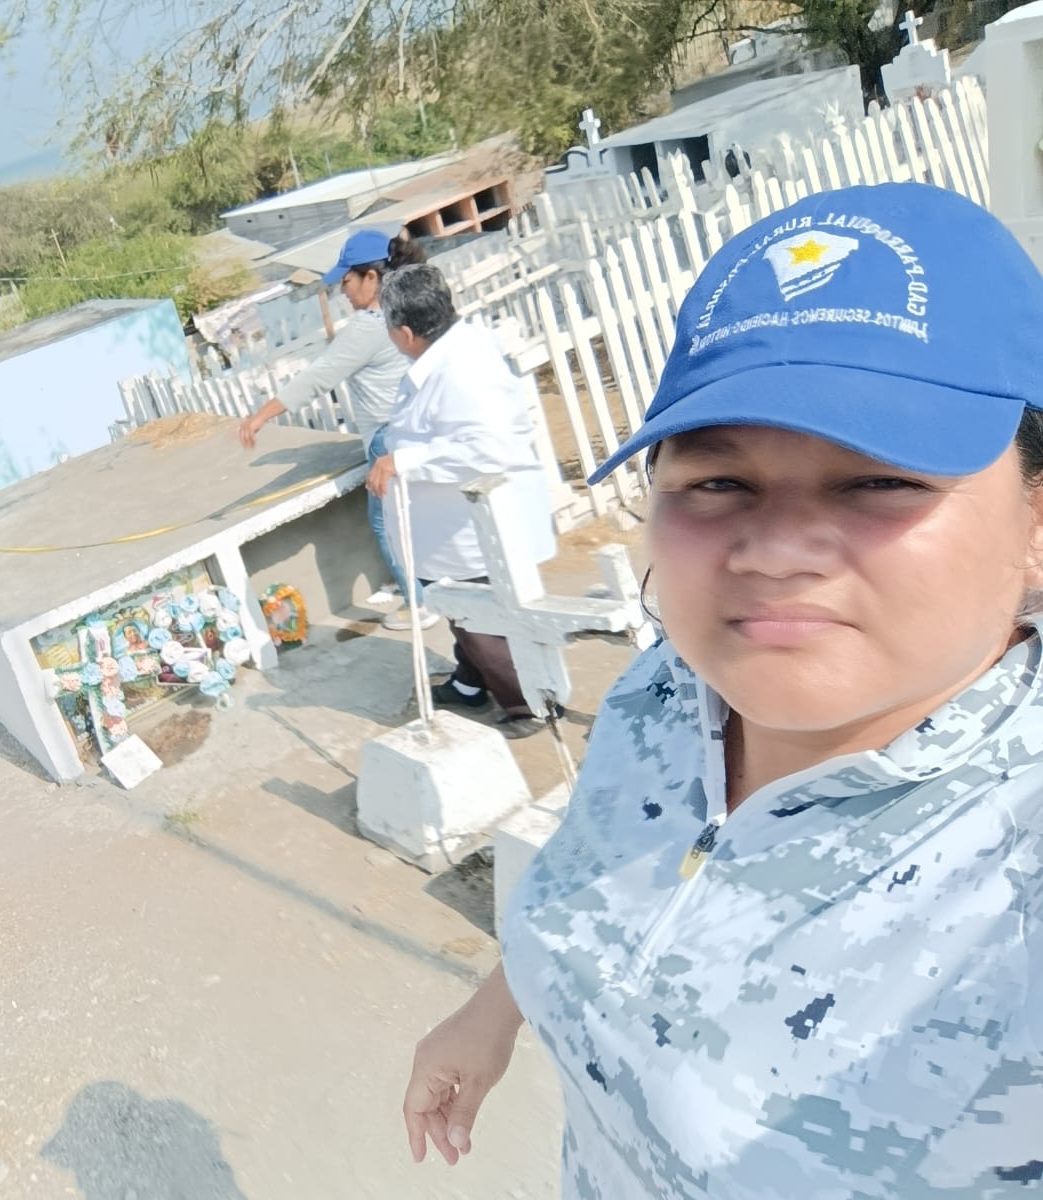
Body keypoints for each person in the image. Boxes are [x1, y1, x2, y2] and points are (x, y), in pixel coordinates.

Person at [401, 183, 1043, 1195]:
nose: (775, 550)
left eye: (881, 478)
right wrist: (494, 1012)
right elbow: (600, 873)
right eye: (717, 482)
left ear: (1034, 524)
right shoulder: (667, 693)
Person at [366, 263, 556, 735]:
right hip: (450, 529)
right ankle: (470, 682)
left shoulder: (463, 369)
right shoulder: (446, 355)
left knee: (481, 621)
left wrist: (404, 461)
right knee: (460, 613)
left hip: (471, 530)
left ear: (405, 332)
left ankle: (526, 706)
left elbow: (485, 450)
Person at [238, 228, 435, 631]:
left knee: (386, 524)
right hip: (419, 426)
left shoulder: (367, 327)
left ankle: (419, 604)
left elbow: (318, 377)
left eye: (346, 281)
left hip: (386, 436)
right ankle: (435, 587)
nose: (342, 291)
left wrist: (261, 416)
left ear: (371, 277)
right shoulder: (410, 310)